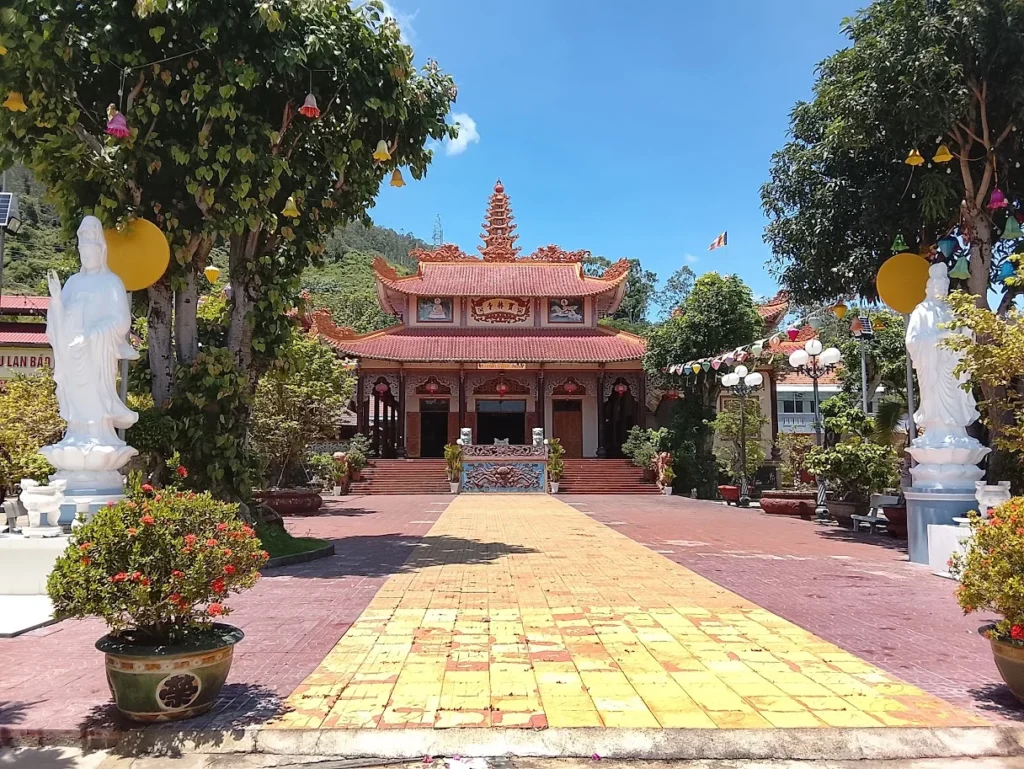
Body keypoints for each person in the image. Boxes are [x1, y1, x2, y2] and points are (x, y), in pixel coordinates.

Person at [46, 216, 139, 447]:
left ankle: (99, 433)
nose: (86, 258)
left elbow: (122, 321)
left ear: (101, 251)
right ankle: (75, 432)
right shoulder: (73, 283)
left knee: (96, 394)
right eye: (82, 253)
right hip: (73, 353)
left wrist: (94, 334)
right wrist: (56, 300)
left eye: (90, 253)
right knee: (74, 393)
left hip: (97, 352)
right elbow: (59, 321)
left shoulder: (111, 282)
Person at [905, 262, 979, 442]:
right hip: (933, 365)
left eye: (946, 287)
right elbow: (912, 340)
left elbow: (962, 337)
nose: (943, 291)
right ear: (930, 288)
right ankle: (937, 432)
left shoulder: (952, 311)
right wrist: (940, 337)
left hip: (953, 364)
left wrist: (967, 334)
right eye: (940, 287)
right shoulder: (921, 311)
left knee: (957, 394)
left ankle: (957, 430)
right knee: (935, 399)